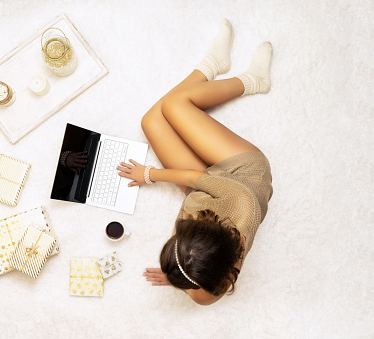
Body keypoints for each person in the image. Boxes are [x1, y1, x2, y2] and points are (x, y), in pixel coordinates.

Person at [116, 19, 274, 305]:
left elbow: (194, 185)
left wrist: (178, 275)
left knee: (150, 120)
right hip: (243, 171)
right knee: (175, 105)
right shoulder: (241, 207)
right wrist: (149, 174)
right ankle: (252, 81)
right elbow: (191, 177)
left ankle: (212, 65)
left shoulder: (203, 273)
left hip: (207, 191)